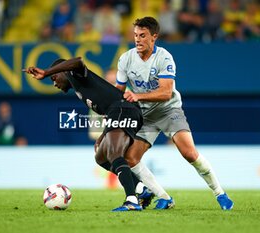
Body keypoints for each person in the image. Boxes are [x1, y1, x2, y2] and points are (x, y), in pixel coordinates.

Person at [116, 16, 234, 210]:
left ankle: (220, 193)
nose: (137, 39)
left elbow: (165, 92)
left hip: (169, 110)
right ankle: (164, 197)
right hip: (145, 116)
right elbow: (118, 89)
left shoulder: (164, 57)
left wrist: (137, 96)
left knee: (189, 153)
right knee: (131, 158)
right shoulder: (126, 58)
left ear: (154, 37)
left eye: (142, 35)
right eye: (135, 35)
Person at [22, 57, 152, 212]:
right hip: (121, 112)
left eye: (54, 78)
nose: (54, 83)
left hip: (124, 109)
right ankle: (140, 189)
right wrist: (104, 135)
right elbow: (109, 110)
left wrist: (46, 72)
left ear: (63, 71)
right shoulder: (78, 88)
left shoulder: (75, 74)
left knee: (114, 153)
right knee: (101, 157)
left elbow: (78, 61)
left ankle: (132, 200)